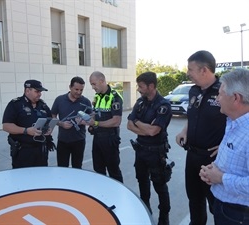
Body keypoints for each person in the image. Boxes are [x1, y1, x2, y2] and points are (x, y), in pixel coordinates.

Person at [175, 50, 227, 225]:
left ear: (204, 70)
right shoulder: (193, 91)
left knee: (217, 205)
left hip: (215, 160)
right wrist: (184, 131)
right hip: (193, 156)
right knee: (194, 200)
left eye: (191, 69)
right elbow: (193, 116)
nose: (188, 73)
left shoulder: (224, 90)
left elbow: (241, 120)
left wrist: (226, 145)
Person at [199, 68, 249, 225]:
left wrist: (220, 178)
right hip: (226, 207)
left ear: (235, 98)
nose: (217, 98)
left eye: (220, 94)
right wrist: (212, 171)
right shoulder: (233, 122)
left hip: (239, 214)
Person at [127, 72, 172, 225]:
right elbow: (128, 125)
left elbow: (154, 131)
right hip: (140, 151)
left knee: (160, 186)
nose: (138, 89)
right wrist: (144, 127)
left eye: (141, 86)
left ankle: (164, 217)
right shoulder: (140, 102)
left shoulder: (163, 105)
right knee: (142, 183)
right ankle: (146, 211)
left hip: (156, 153)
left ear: (151, 86)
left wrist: (137, 121)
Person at [2, 79, 55, 168]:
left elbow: (50, 120)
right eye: (37, 91)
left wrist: (48, 130)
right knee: (23, 179)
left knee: (42, 177)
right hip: (23, 151)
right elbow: (6, 126)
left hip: (41, 150)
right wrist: (26, 131)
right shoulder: (15, 104)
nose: (40, 94)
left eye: (40, 91)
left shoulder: (43, 105)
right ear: (27, 90)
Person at [87, 71, 123, 183]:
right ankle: (102, 195)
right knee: (98, 169)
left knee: (113, 171)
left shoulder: (114, 96)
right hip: (97, 138)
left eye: (94, 84)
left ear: (102, 81)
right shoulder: (97, 96)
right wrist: (88, 120)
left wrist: (96, 123)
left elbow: (116, 121)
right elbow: (95, 113)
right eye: (91, 84)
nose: (93, 87)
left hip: (110, 139)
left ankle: (118, 196)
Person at [51, 76, 92, 169]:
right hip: (63, 140)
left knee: (77, 168)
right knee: (62, 168)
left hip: (79, 141)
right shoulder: (59, 100)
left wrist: (83, 122)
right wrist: (61, 124)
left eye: (81, 90)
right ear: (70, 87)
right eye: (76, 89)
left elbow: (91, 119)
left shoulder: (86, 101)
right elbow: (53, 116)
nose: (79, 92)